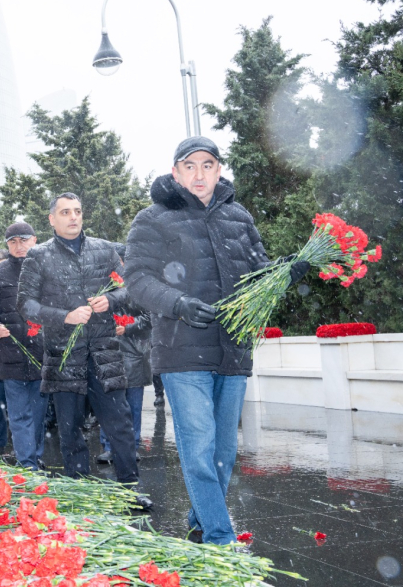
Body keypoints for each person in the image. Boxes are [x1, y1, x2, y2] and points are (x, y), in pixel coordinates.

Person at [124, 136, 309, 542]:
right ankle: (220, 537)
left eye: (207, 165)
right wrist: (178, 304)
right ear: (176, 172)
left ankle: (200, 519)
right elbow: (136, 279)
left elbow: (256, 275)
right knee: (199, 447)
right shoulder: (153, 219)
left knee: (224, 452)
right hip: (182, 349)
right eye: (190, 166)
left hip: (233, 349)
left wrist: (284, 273)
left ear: (219, 170)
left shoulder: (238, 217)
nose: (199, 173)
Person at [18, 193, 150, 510]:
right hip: (64, 356)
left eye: (77, 211)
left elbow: (130, 290)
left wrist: (112, 300)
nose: (73, 217)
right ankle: (79, 493)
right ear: (52, 219)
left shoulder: (104, 250)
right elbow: (25, 305)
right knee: (70, 429)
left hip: (105, 353)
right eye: (65, 212)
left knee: (120, 425)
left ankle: (129, 490)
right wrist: (63, 316)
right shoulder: (38, 256)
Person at [0, 222, 46, 469]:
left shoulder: (46, 267)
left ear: (34, 240)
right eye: (13, 242)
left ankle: (35, 455)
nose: (19, 246)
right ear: (7, 245)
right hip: (9, 354)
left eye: (24, 240)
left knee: (38, 413)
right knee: (18, 414)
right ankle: (27, 463)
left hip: (42, 355)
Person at [98, 311, 151, 464]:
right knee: (110, 405)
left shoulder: (139, 296)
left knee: (133, 406)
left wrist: (127, 326)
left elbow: (149, 317)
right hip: (109, 353)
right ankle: (109, 446)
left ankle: (131, 446)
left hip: (134, 355)